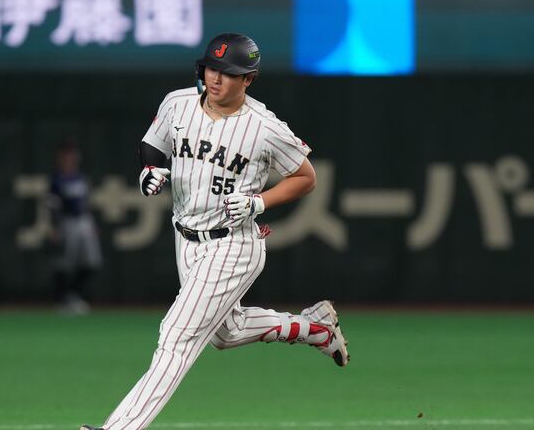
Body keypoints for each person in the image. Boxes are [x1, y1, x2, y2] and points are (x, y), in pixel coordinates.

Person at [80, 33, 350, 430]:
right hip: (185, 238)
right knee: (226, 332)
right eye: (211, 68)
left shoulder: (263, 126)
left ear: (248, 80)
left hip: (234, 244)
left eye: (228, 72)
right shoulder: (178, 103)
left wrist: (260, 203)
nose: (216, 78)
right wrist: (150, 170)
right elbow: (153, 144)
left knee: (177, 335)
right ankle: (314, 328)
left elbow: (305, 177)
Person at [48, 141, 102, 314]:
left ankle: (75, 295)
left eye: (73, 154)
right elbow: (53, 206)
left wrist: (92, 223)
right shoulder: (57, 180)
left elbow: (87, 203)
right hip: (67, 221)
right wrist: (54, 226)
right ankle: (63, 299)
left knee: (91, 261)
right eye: (68, 154)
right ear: (61, 157)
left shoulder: (81, 178)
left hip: (84, 221)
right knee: (65, 262)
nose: (71, 157)